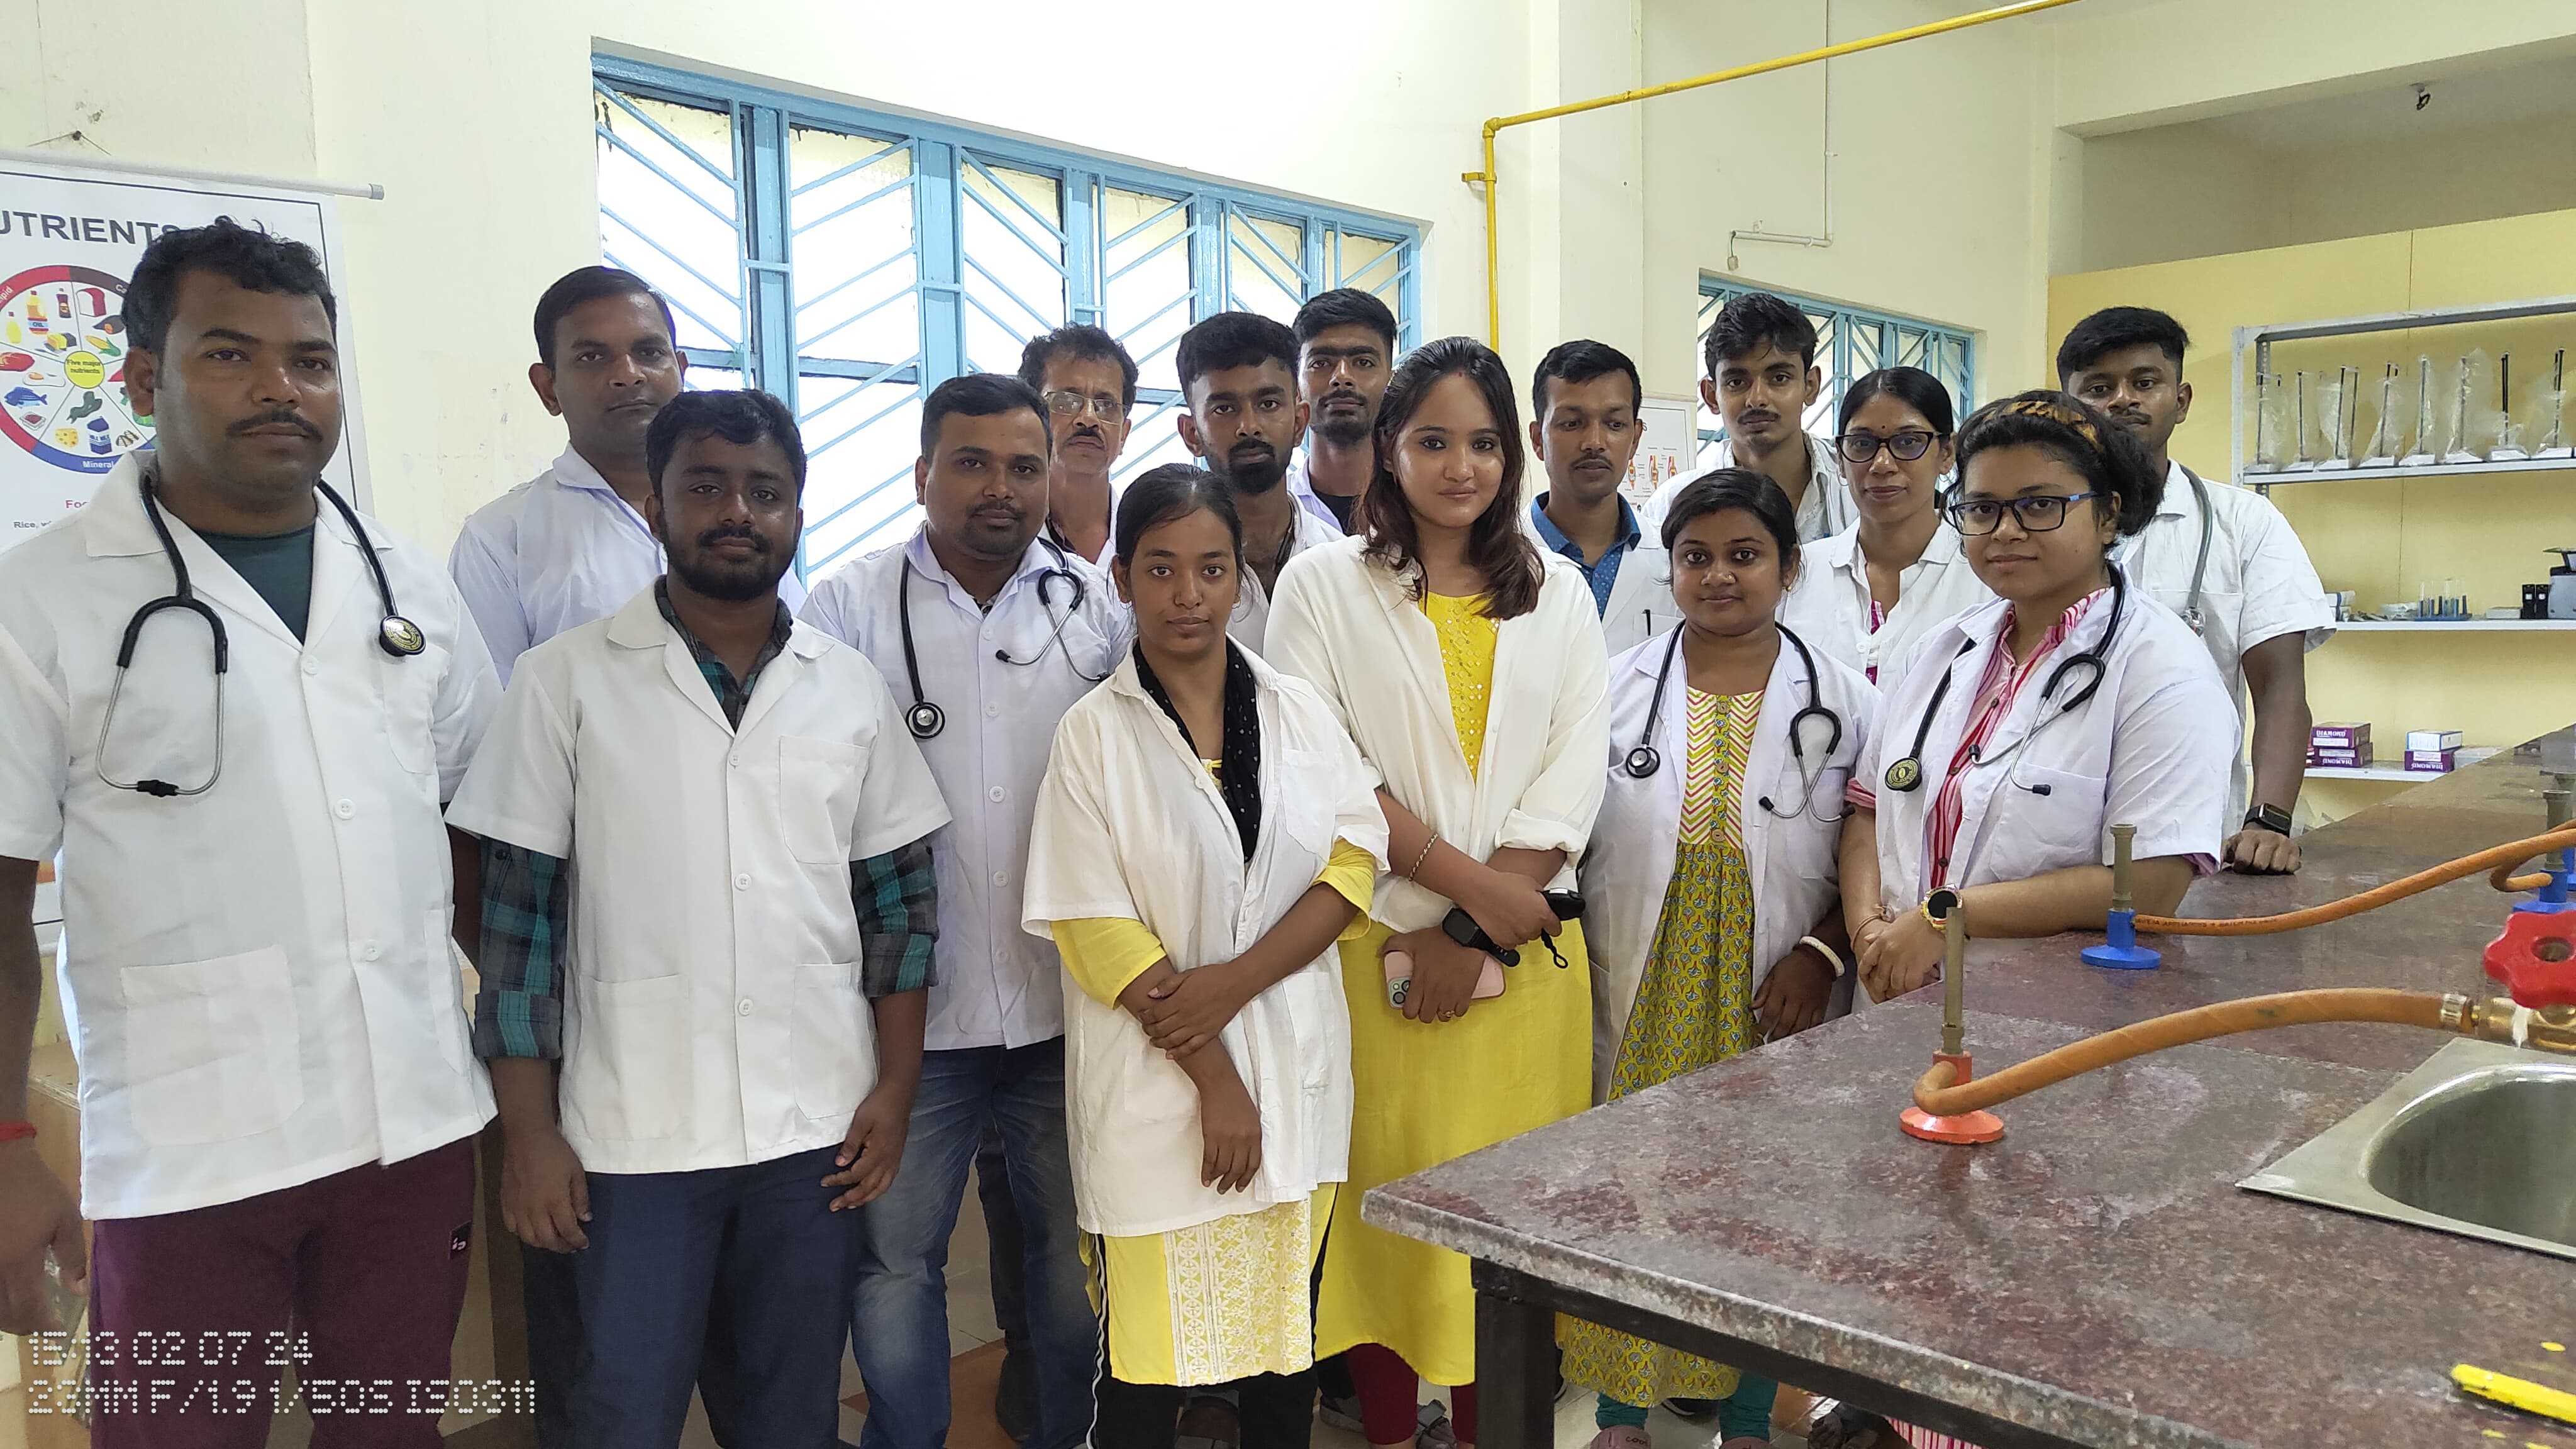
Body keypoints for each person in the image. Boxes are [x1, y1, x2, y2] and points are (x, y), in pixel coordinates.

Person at [0, 219, 501, 1445]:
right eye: (230, 354)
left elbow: (474, 827)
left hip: (409, 1123)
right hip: (191, 1146)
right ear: (142, 379)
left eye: (311, 361)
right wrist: (6, 1143)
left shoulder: (409, 584)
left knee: (390, 1429)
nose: (282, 387)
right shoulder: (44, 598)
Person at [449, 390, 949, 1448]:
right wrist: (529, 1133)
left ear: (796, 512)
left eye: (765, 492)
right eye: (707, 486)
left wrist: (896, 1088)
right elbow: (518, 932)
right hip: (631, 1137)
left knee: (789, 1416)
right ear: (656, 505)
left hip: (812, 1131)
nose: (737, 512)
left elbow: (899, 910)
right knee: (622, 1413)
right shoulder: (562, 682)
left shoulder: (848, 688)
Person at [1267, 336, 1611, 1449]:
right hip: (1379, 954)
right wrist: (1464, 901)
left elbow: (1575, 771)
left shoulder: (1559, 592)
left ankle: (1483, 1432)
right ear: (1388, 448)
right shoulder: (1323, 586)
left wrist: (1474, 930)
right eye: (1432, 441)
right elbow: (1324, 769)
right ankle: (1383, 1431)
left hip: (1522, 964)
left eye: (1484, 443)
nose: (1460, 466)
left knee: (1504, 1225)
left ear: (1512, 454)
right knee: (1387, 1211)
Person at [1023, 465, 1389, 1449]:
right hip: (1160, 1096)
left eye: (1212, 569)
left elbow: (1356, 859)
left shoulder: (1298, 711)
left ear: (1239, 578)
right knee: (1145, 1375)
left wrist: (1235, 983)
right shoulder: (1092, 737)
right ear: (1121, 578)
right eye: (1161, 569)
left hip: (1296, 1081)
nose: (1187, 594)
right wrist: (1218, 1082)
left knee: (1283, 1361)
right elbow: (1096, 925)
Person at [800, 373, 1124, 1449]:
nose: (1000, 487)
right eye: (972, 463)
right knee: (896, 1263)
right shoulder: (847, 608)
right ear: (922, 474)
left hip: (1061, 1007)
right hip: (914, 1021)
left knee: (1070, 1258)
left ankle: (1066, 1434)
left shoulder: (1092, 607)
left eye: (1024, 467)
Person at [1567, 470, 1875, 1449]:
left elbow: (1880, 855)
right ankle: (1620, 1416)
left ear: (1790, 566)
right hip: (1647, 972)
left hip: (1777, 982)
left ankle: (1746, 1421)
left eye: (1745, 555)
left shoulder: (1850, 700)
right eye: (1695, 556)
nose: (1718, 576)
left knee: (1762, 1204)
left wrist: (1822, 952)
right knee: (1631, 1192)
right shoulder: (1613, 686)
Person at [1838, 391, 2233, 997]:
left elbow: (2151, 882)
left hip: (2043, 1007)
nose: (2006, 531)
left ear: (2108, 516)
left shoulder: (2164, 670)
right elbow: (1868, 809)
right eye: (1982, 509)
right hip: (1895, 990)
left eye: (2040, 505)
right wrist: (1869, 930)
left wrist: (1945, 916)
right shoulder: (1939, 652)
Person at [2057, 306, 2333, 875]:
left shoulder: (2245, 524)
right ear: (2068, 408)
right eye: (2099, 388)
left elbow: (2280, 687)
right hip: (2048, 838)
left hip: (2194, 839)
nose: (2123, 400)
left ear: (2180, 400)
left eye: (2145, 382)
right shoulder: (2031, 526)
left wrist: (2268, 822)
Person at [450, 266, 806, 688]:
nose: (628, 374)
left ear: (681, 369)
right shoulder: (500, 540)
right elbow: (490, 711)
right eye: (592, 357)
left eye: (650, 353)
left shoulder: (743, 525)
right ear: (548, 388)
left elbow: (801, 674)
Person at [1777, 367, 1992, 682]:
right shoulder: (1798, 573)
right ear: (1840, 459)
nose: (1882, 464)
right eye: (1862, 444)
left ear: (1947, 453)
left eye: (1908, 442)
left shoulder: (1986, 573)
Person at [1176, 312, 1341, 656]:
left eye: (1268, 404)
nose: (1249, 426)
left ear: (1299, 423)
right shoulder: (1170, 577)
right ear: (1192, 434)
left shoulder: (1341, 561)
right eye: (1224, 409)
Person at [1643, 292, 1853, 546]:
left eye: (1779, 379)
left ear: (1810, 386)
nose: (1757, 399)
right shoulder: (1670, 505)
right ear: (1711, 396)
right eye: (1736, 382)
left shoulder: (1858, 489)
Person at [1525, 339, 1671, 657]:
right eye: (1572, 424)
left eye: (1614, 424)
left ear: (1635, 439)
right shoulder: (1490, 557)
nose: (1594, 442)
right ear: (1538, 439)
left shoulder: (1671, 560)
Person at [1023, 323, 1140, 570]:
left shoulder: (1148, 536)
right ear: (1031, 422)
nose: (1088, 419)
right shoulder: (1004, 537)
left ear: (1124, 434)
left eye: (1106, 405)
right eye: (1066, 401)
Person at [1287, 289, 1399, 533]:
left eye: (1363, 362)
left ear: (1390, 382)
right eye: (1321, 363)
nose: (1342, 377)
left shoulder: (1419, 509)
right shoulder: (1280, 511)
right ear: (1296, 386)